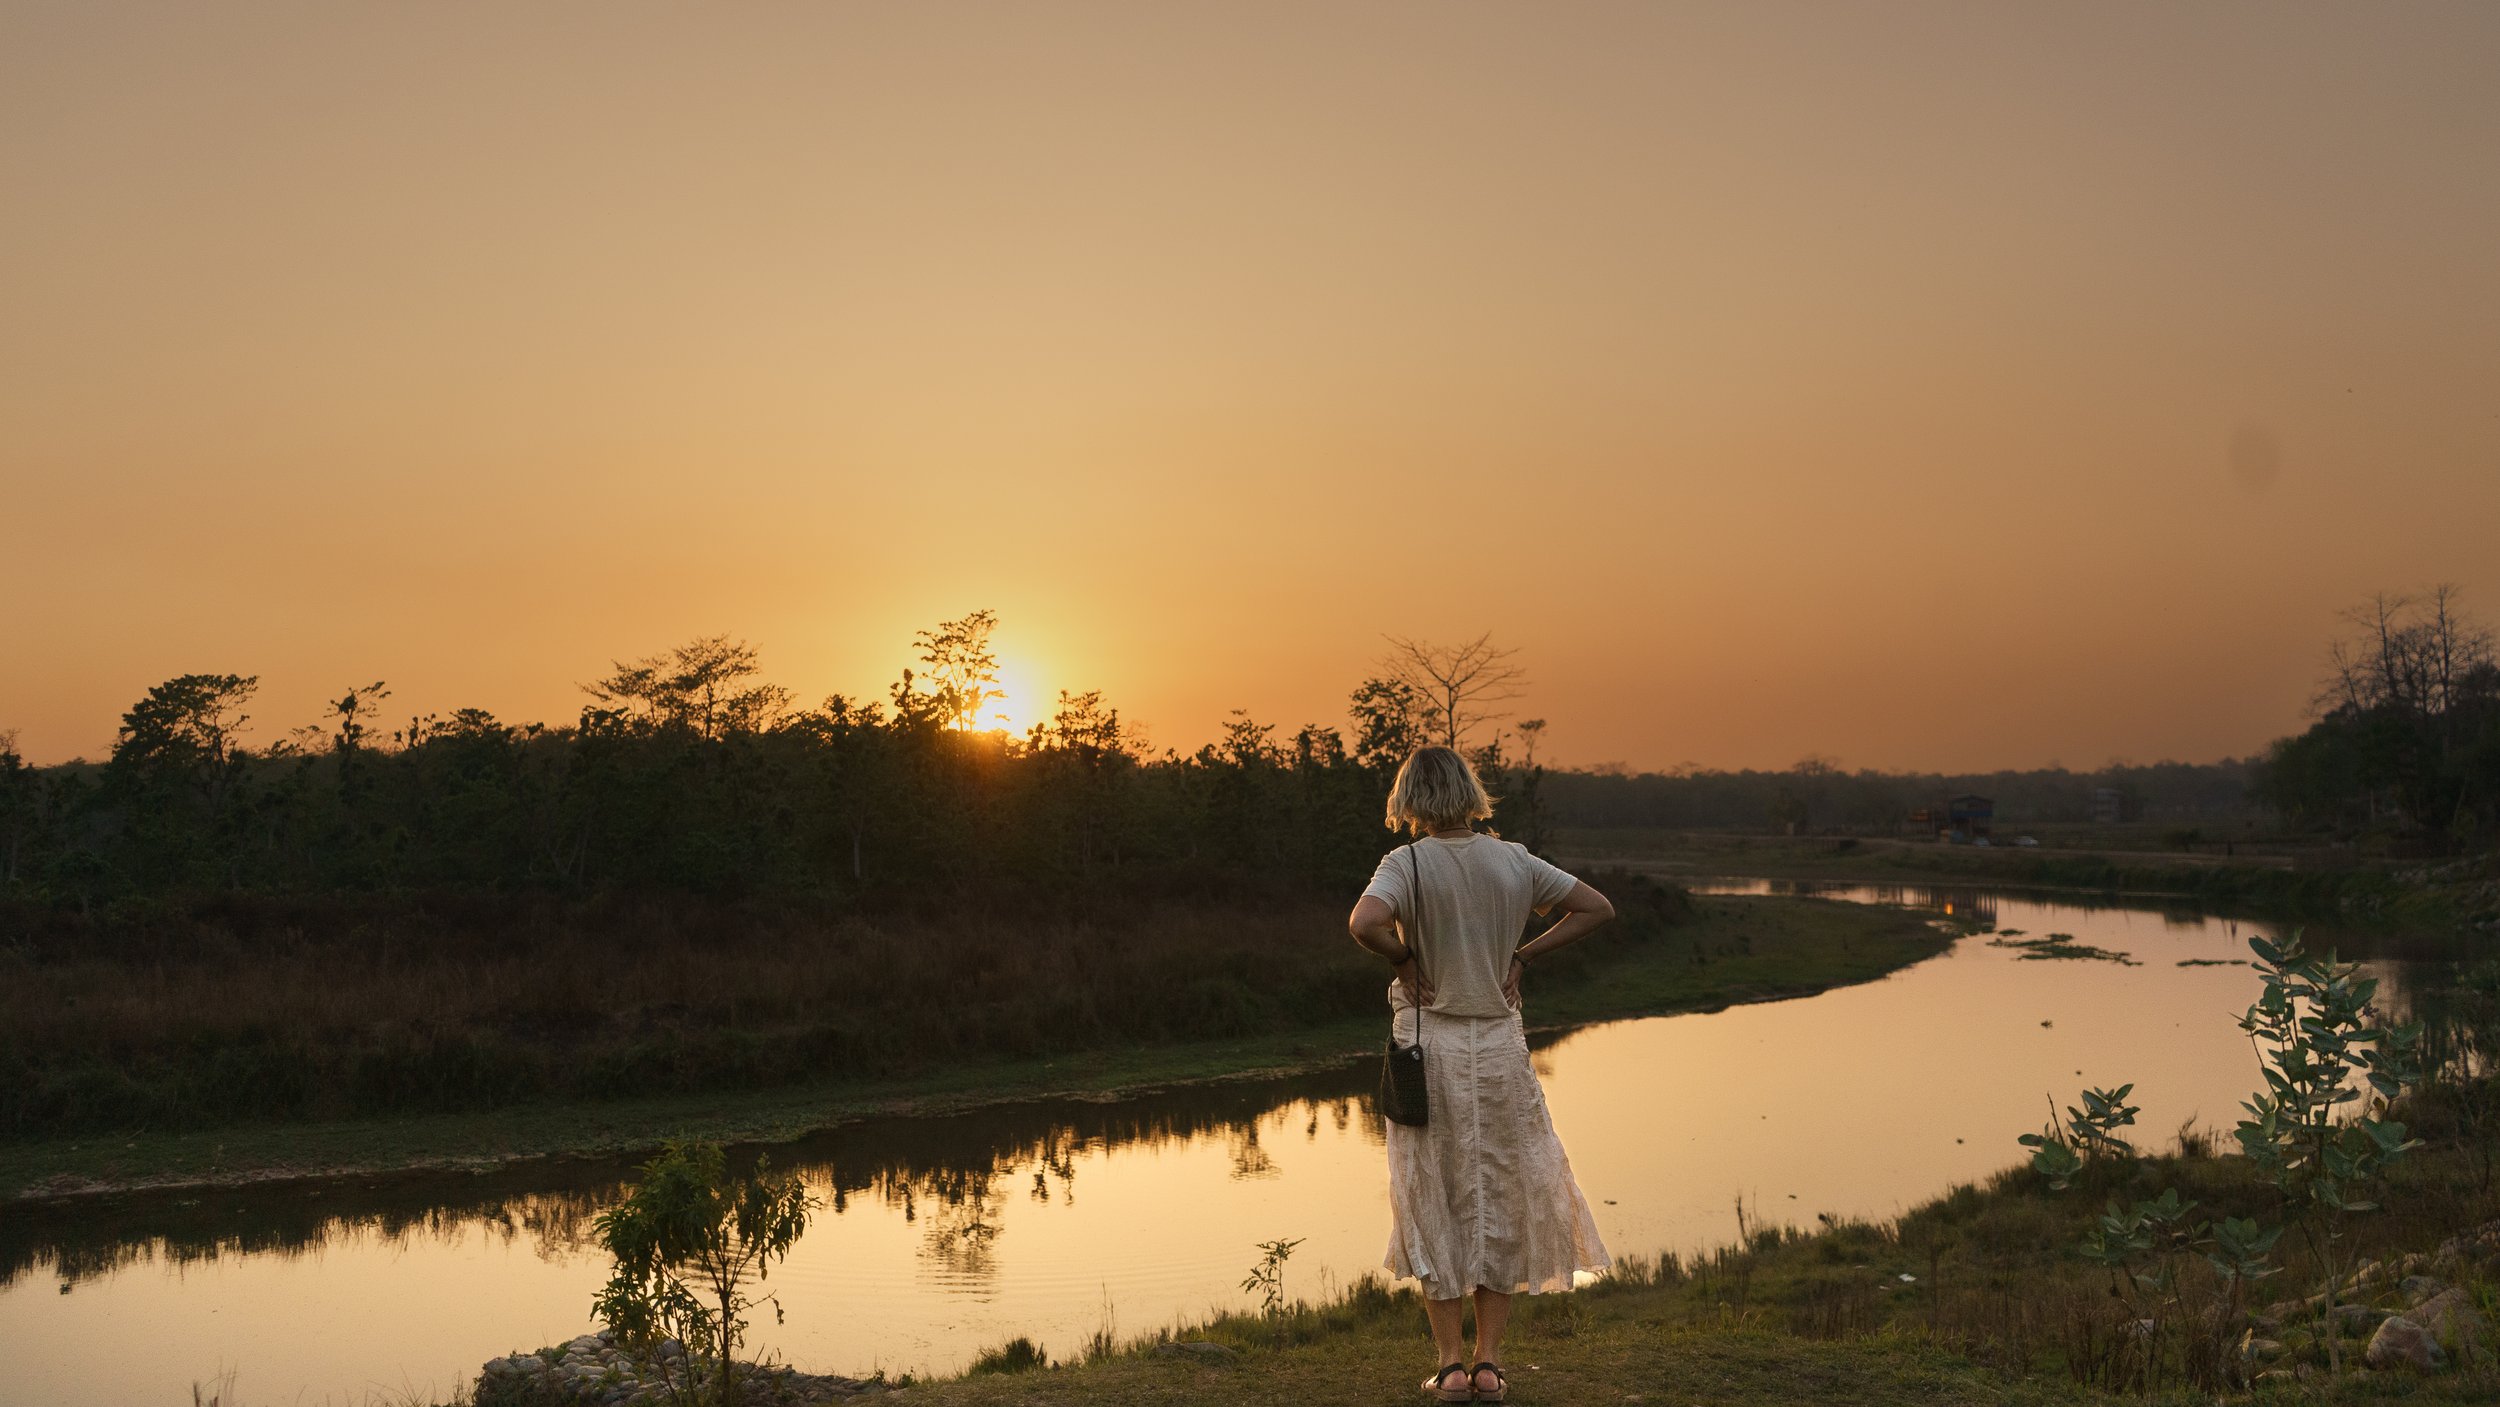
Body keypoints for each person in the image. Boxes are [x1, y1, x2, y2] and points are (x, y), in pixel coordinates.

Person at [1347, 746, 1616, 1403]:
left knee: (1430, 1196)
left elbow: (1364, 922)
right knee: (1500, 1194)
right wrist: (1525, 955)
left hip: (1425, 1049)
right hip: (1498, 1049)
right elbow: (1596, 907)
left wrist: (1403, 958)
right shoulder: (1513, 860)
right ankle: (1489, 1364)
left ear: (1410, 797)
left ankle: (1449, 1368)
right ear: (1469, 792)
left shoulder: (1405, 863)